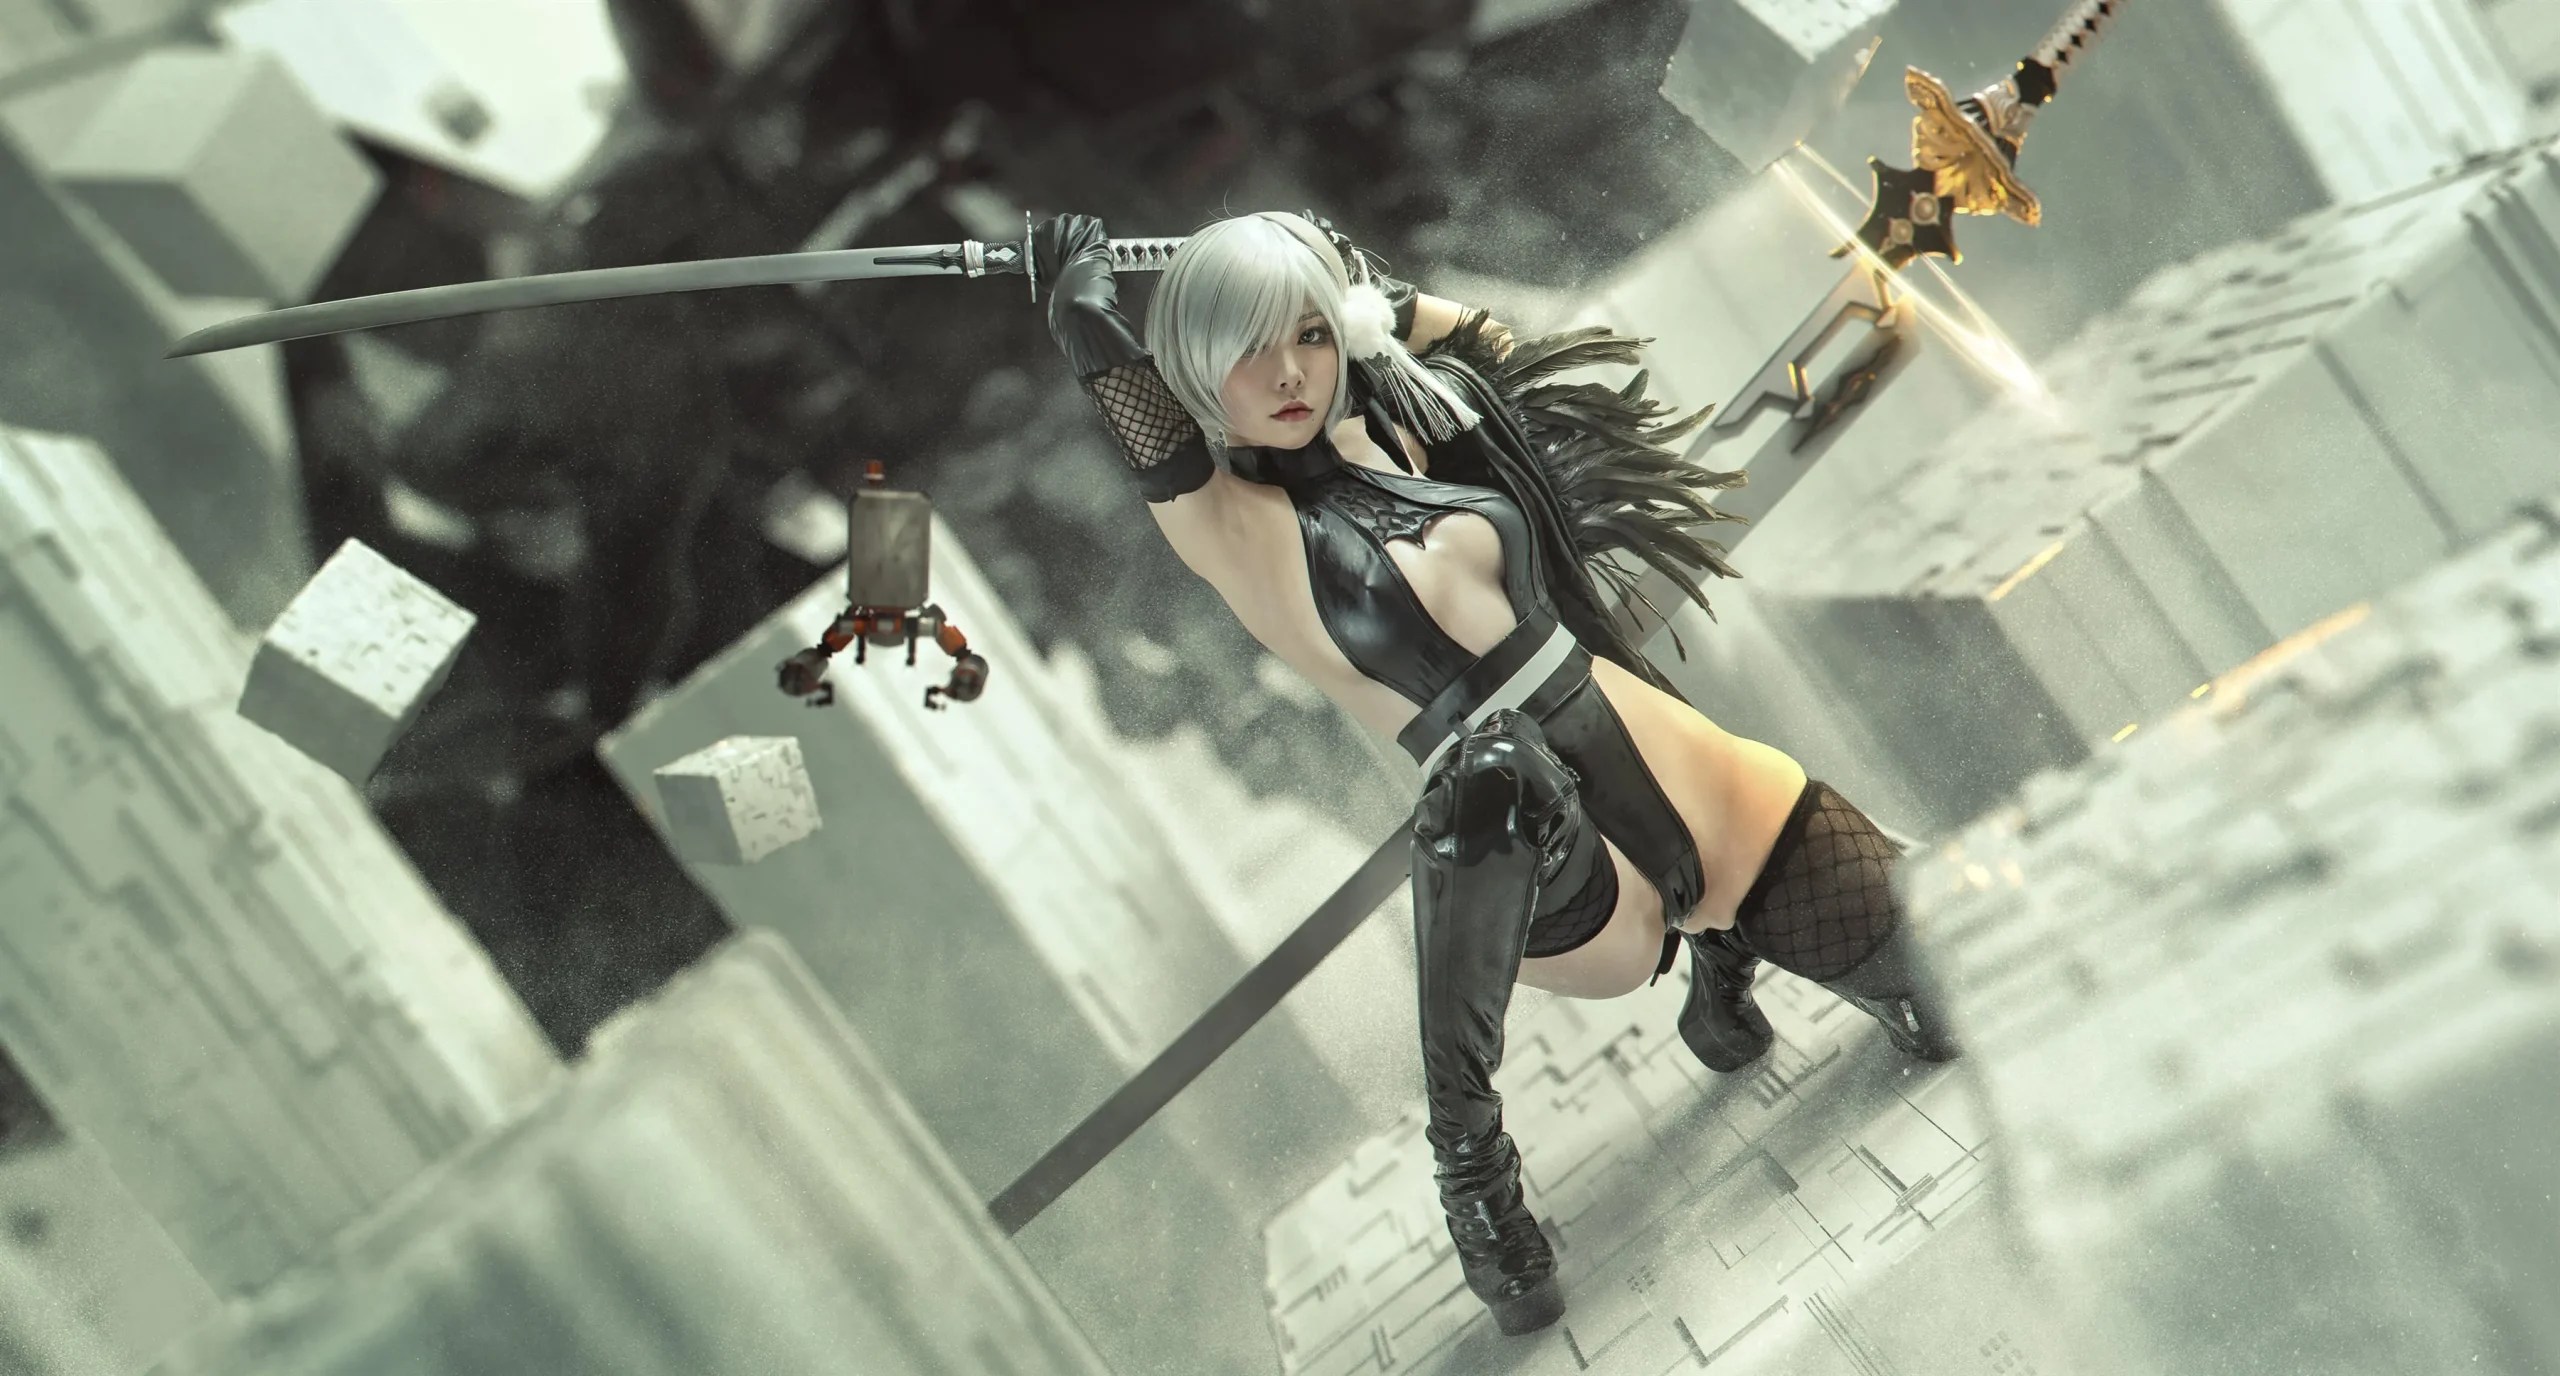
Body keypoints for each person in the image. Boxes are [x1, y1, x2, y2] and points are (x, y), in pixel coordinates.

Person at [1032, 210, 1958, 1336]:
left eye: (1309, 335)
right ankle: (1471, 1162)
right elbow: (1157, 448)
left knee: (1950, 990)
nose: (1287, 375)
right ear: (1190, 370)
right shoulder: (1240, 534)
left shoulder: (1404, 424)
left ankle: (1726, 946)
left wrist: (1376, 292)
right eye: (1245, 350)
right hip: (1545, 861)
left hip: (1689, 782)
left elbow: (1499, 347)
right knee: (1492, 768)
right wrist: (1084, 314)